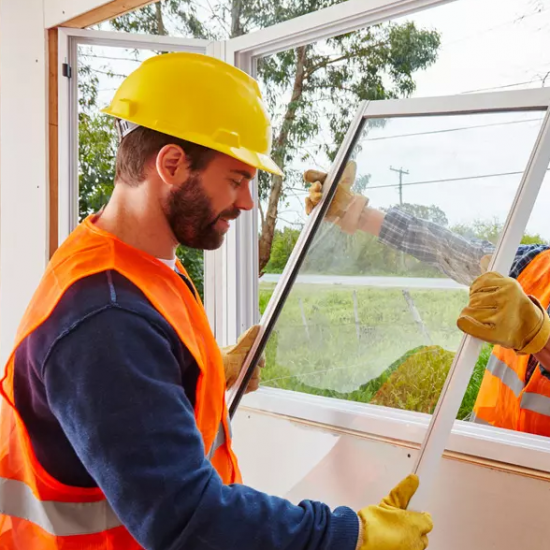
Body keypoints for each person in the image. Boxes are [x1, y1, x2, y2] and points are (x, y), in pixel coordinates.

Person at [0, 53, 433, 550]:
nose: (248, 202)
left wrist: (203, 369)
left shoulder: (137, 262)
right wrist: (347, 536)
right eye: (235, 179)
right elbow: (187, 519)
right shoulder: (107, 317)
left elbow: (131, 398)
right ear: (171, 164)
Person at [305, 161, 550, 436]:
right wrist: (359, 214)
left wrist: (537, 335)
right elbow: (445, 248)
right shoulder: (534, 264)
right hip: (485, 454)